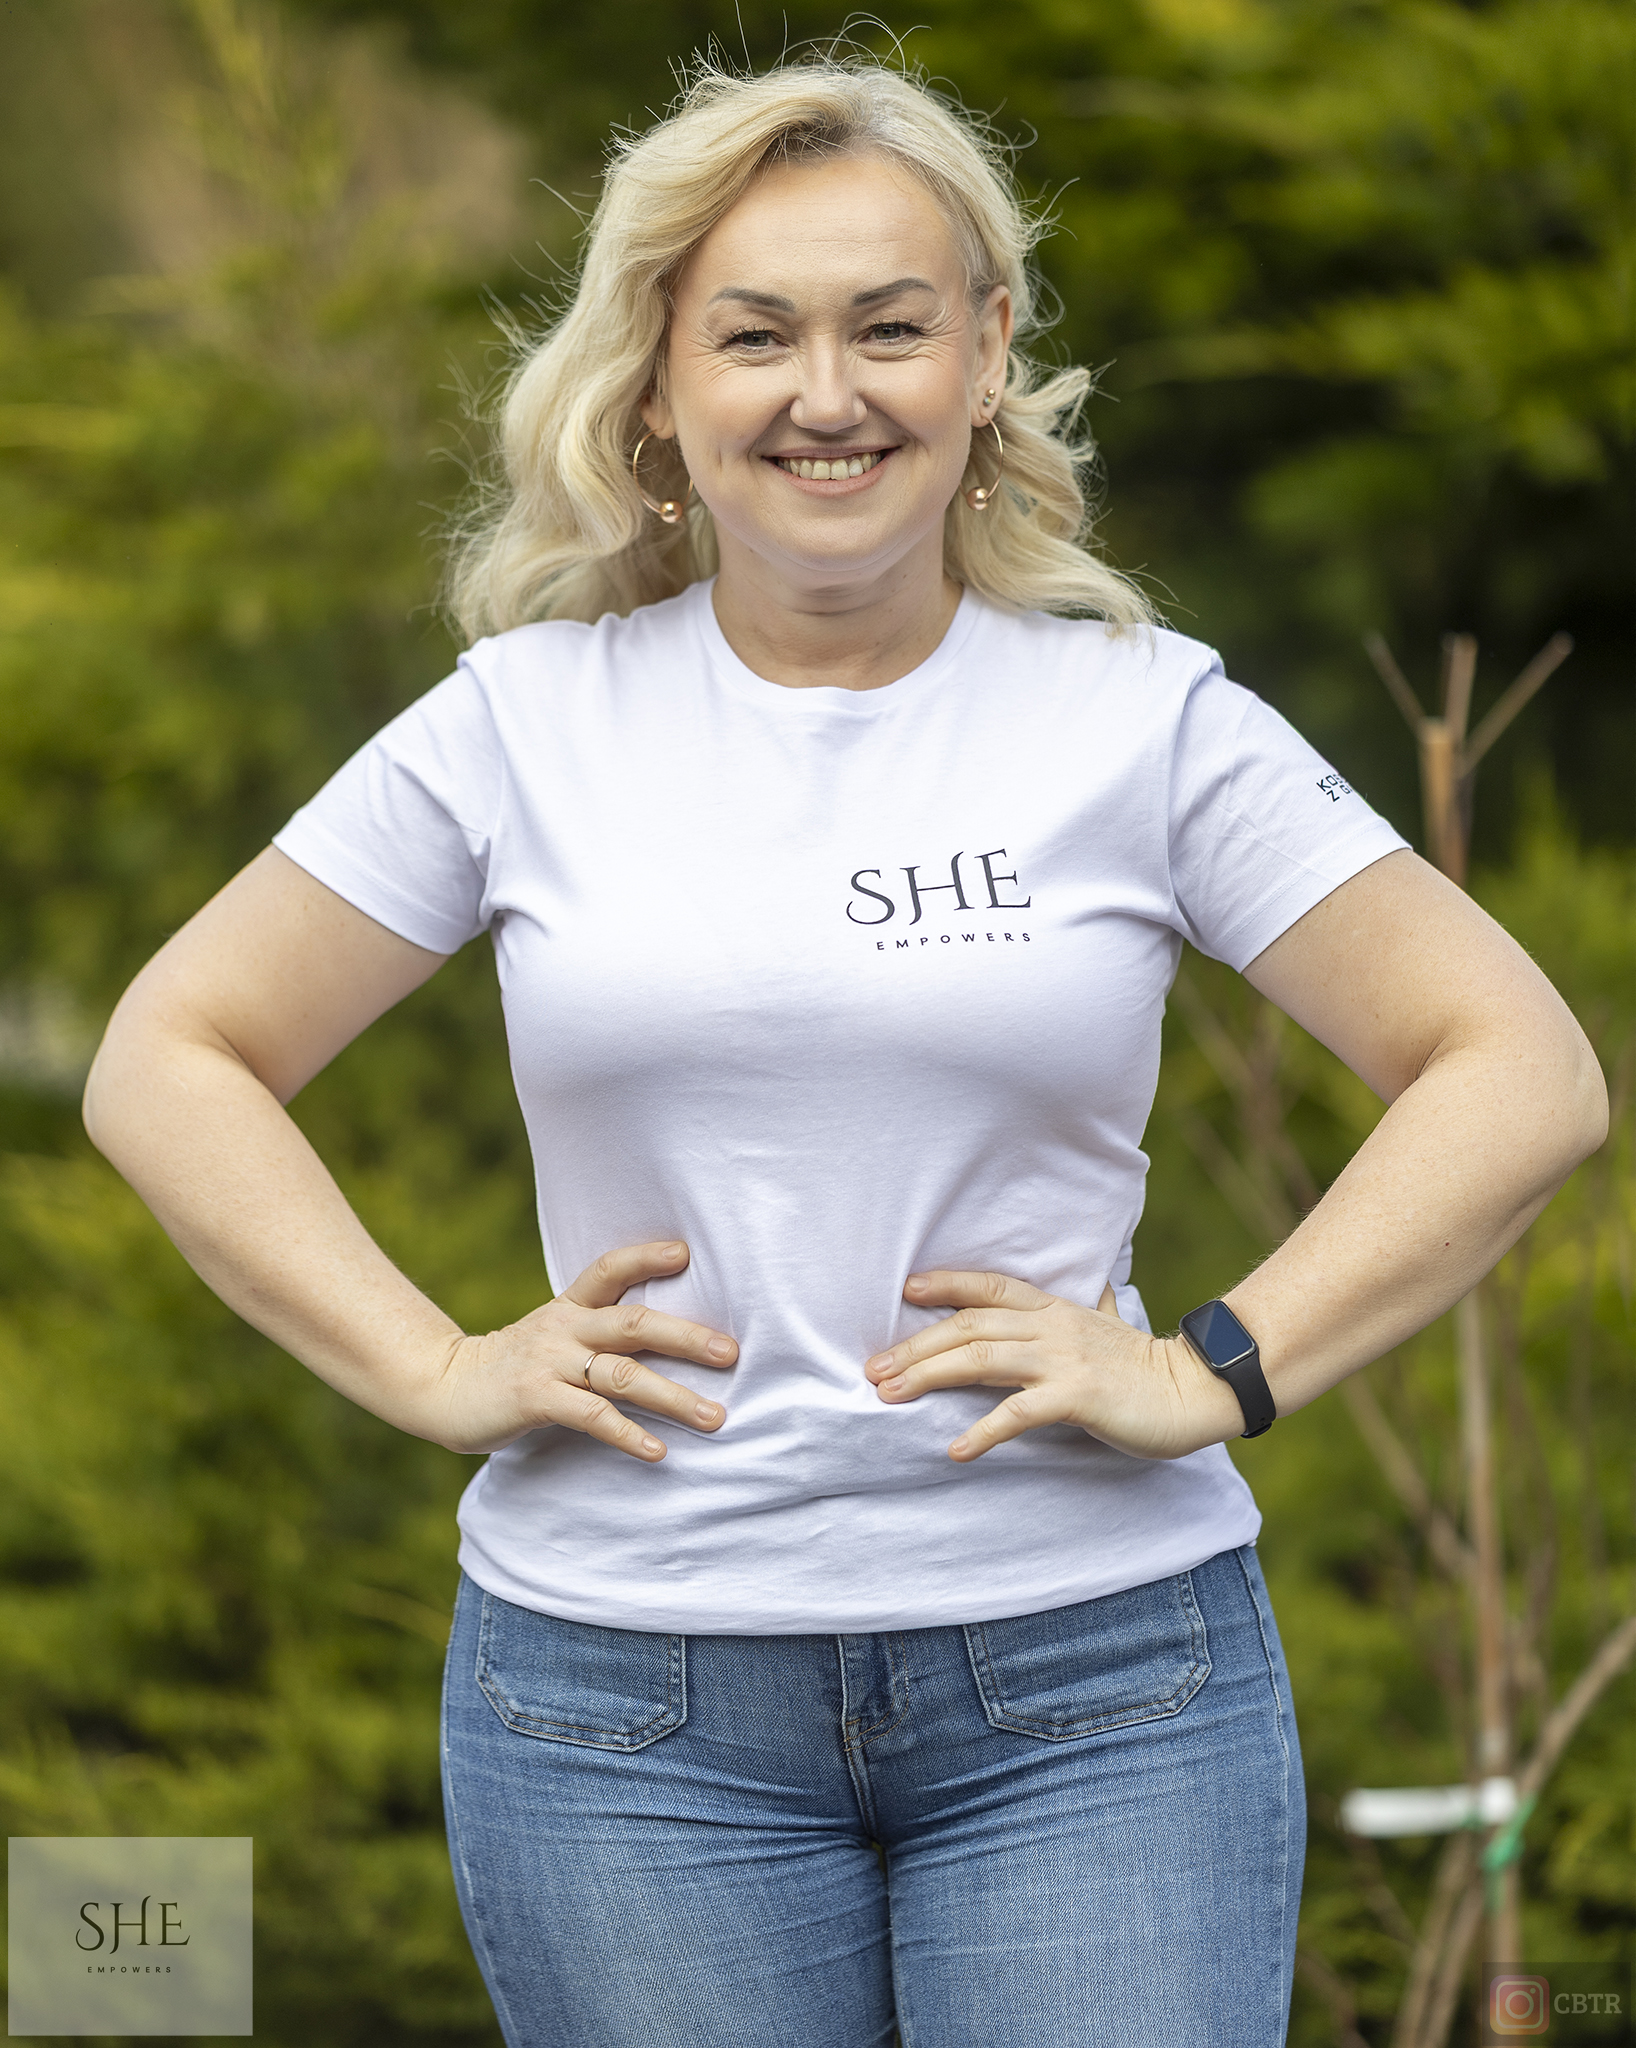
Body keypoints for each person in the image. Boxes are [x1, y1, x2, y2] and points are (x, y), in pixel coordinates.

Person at [82, 55, 1605, 2048]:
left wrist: (1205, 1368)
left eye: (889, 327)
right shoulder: (522, 725)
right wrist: (435, 1367)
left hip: (1099, 1688)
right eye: (755, 335)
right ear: (657, 380)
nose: (828, 393)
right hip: (622, 1710)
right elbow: (170, 1054)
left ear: (986, 355)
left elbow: (1516, 1066)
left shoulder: (1138, 720)